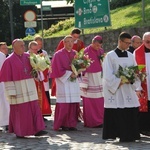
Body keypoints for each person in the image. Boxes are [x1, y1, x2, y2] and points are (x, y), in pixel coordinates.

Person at [0, 39, 47, 137]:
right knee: (21, 111)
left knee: (34, 107)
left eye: (23, 45)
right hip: (18, 89)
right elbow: (7, 78)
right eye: (21, 45)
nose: (23, 47)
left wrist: (37, 72)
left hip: (30, 86)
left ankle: (38, 129)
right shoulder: (9, 61)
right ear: (14, 48)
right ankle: (20, 132)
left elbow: (35, 70)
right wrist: (11, 93)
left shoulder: (29, 56)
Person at [102, 32, 141, 142]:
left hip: (128, 88)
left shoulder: (130, 55)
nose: (129, 46)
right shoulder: (110, 56)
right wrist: (120, 80)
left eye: (130, 43)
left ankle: (131, 135)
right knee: (118, 112)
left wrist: (134, 77)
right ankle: (120, 134)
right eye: (127, 43)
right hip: (117, 89)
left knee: (130, 111)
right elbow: (107, 74)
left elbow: (134, 70)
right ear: (120, 41)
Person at [50, 35, 81, 131]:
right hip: (63, 82)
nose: (70, 44)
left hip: (73, 81)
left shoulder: (75, 53)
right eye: (67, 41)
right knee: (64, 104)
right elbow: (56, 69)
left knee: (73, 103)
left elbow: (80, 66)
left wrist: (77, 72)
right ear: (64, 43)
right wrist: (69, 74)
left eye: (71, 41)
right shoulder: (58, 55)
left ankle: (72, 124)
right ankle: (63, 123)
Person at [51, 28, 85, 97]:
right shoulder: (63, 43)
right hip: (64, 71)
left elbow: (82, 55)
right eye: (74, 37)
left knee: (74, 95)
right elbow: (58, 56)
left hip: (74, 72)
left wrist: (78, 69)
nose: (75, 39)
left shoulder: (79, 43)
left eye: (77, 37)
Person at [80, 35, 104, 128]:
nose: (98, 47)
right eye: (96, 45)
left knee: (100, 100)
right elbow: (81, 65)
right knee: (90, 101)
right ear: (93, 42)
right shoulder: (85, 51)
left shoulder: (101, 51)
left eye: (99, 46)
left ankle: (100, 120)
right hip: (89, 78)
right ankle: (91, 121)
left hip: (99, 77)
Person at [28, 41, 52, 117]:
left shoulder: (38, 56)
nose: (35, 51)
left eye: (36, 49)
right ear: (29, 48)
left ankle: (40, 115)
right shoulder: (26, 57)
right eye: (34, 49)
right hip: (30, 82)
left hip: (38, 81)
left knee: (40, 98)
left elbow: (44, 67)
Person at [134, 32, 150, 136]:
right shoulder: (137, 52)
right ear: (143, 41)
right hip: (145, 83)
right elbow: (135, 71)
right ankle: (144, 128)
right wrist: (137, 87)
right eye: (148, 41)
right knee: (145, 107)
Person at [34, 35, 51, 106]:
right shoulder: (30, 53)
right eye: (38, 44)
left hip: (43, 75)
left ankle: (46, 111)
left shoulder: (44, 52)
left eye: (41, 44)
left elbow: (48, 63)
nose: (39, 46)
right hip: (35, 77)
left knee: (45, 92)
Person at [0, 42, 10, 131]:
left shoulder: (2, 56)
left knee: (4, 102)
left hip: (1, 83)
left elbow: (4, 69)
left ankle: (6, 122)